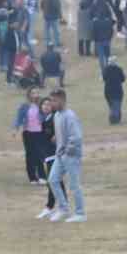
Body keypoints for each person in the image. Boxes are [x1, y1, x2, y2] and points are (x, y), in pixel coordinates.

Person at [46, 89, 86, 223]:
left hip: (71, 155)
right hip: (60, 154)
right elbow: (62, 133)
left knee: (74, 184)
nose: (51, 103)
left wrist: (68, 150)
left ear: (62, 100)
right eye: (51, 100)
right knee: (52, 180)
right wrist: (56, 139)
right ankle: (63, 208)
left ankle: (80, 213)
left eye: (54, 100)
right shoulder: (57, 115)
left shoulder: (70, 116)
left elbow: (76, 137)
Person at [12, 86, 50, 185]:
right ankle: (32, 177)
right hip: (28, 133)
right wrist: (15, 129)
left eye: (37, 93)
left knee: (39, 154)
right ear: (29, 94)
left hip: (40, 133)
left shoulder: (42, 105)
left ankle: (42, 176)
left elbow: (47, 116)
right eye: (33, 93)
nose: (35, 95)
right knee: (30, 155)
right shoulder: (24, 106)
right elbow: (19, 119)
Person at [101, 57, 126, 125]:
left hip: (108, 91)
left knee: (113, 106)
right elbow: (123, 79)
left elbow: (104, 78)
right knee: (116, 106)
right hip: (117, 91)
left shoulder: (106, 69)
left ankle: (116, 118)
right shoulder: (119, 69)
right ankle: (114, 120)